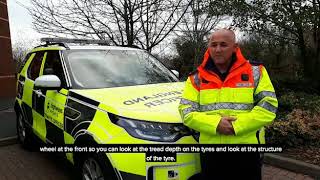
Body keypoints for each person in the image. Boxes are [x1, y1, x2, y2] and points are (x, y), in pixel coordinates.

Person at [178, 29, 278, 180]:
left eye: (223, 45)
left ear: (235, 47)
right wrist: (216, 124)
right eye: (213, 45)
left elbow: (268, 107)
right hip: (211, 153)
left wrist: (236, 126)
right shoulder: (196, 78)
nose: (217, 50)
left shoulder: (256, 72)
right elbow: (186, 112)